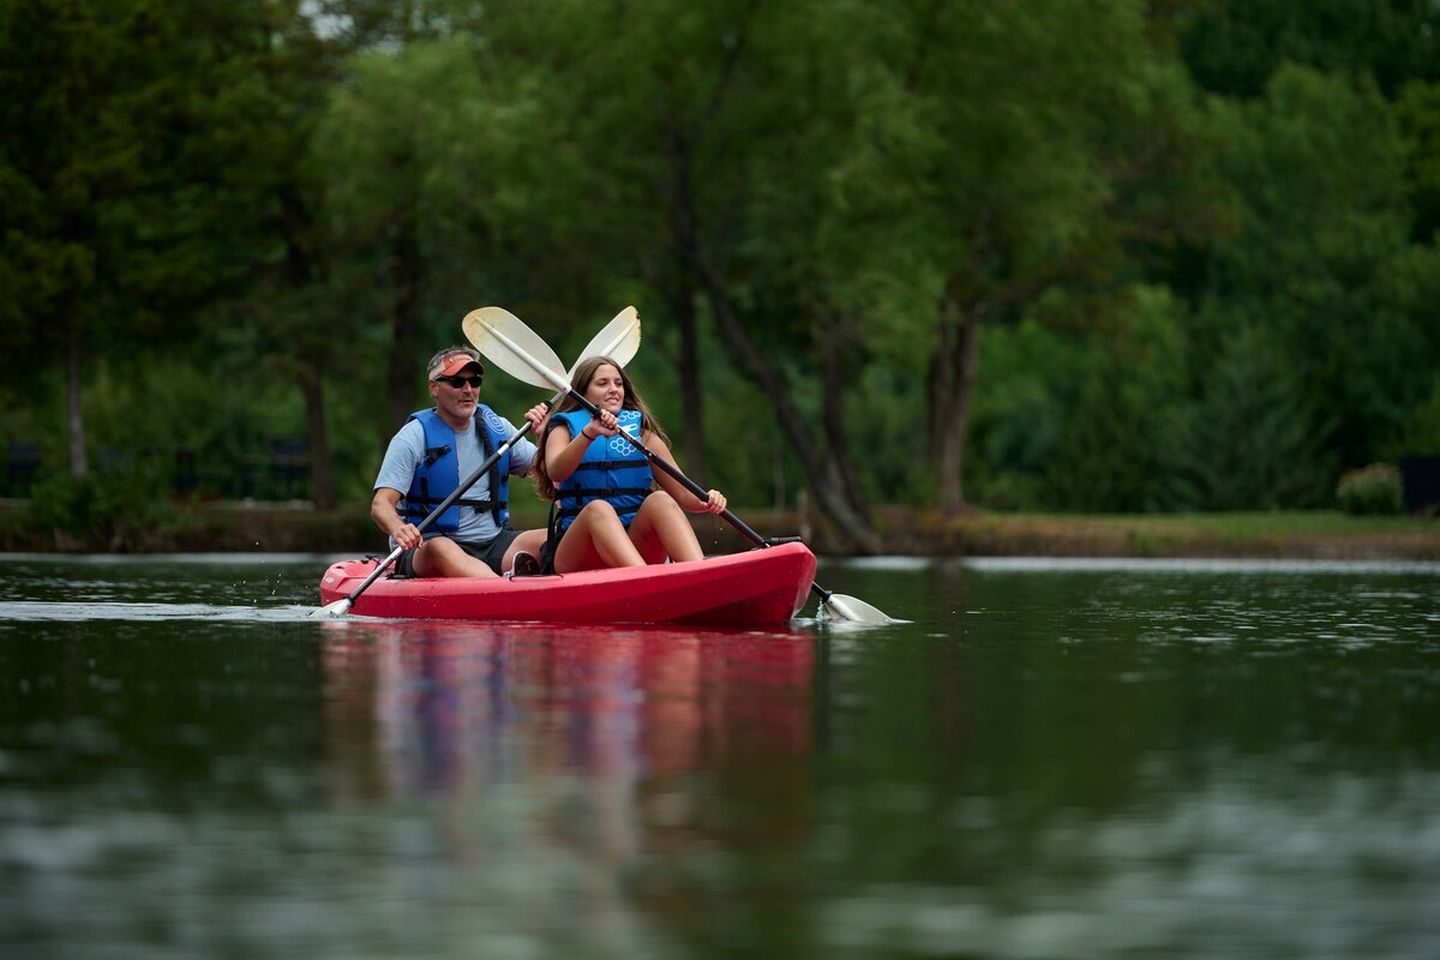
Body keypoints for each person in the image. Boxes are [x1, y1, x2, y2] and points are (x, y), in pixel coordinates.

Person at [530, 355, 727, 573]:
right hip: (580, 553)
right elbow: (556, 472)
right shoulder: (563, 429)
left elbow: (683, 494)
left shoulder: (642, 434)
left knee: (660, 499)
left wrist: (707, 500)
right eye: (602, 383)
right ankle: (645, 581)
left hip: (635, 543)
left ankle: (701, 575)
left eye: (619, 383)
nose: (614, 389)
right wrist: (589, 433)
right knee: (599, 509)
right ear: (583, 392)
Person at [371, 345, 548, 578]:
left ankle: (510, 579)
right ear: (434, 388)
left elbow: (550, 471)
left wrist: (543, 436)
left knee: (552, 536)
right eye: (457, 382)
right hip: (430, 544)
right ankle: (504, 588)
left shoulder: (497, 428)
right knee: (440, 548)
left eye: (474, 382)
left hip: (494, 543)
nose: (468, 390)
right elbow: (380, 504)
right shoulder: (413, 436)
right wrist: (398, 528)